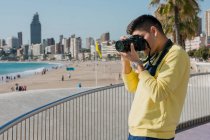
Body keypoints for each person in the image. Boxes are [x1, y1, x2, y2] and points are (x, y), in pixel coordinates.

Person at [119, 15, 190, 140]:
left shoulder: (176, 54)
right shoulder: (154, 56)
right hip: (137, 131)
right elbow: (132, 86)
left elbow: (159, 93)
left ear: (154, 31)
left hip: (155, 134)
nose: (140, 44)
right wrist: (125, 60)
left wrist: (138, 63)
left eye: (141, 38)